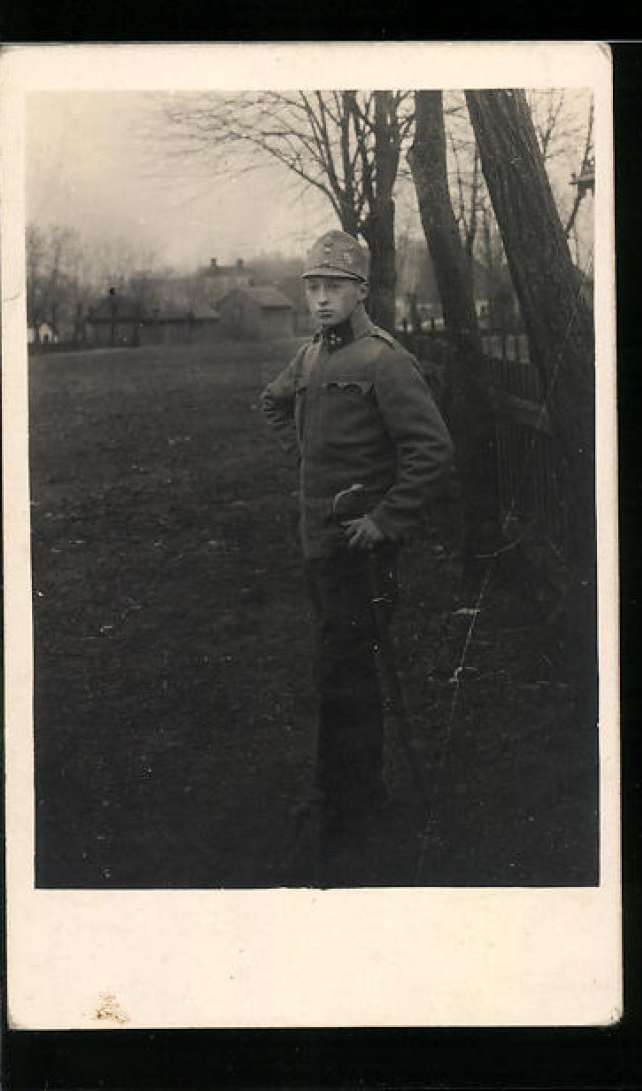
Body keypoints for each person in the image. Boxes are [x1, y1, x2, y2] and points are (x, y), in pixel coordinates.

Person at [261, 230, 453, 839]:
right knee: (336, 670)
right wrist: (306, 460)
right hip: (318, 544)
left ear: (361, 291)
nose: (321, 299)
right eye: (313, 287)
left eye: (334, 288)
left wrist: (386, 519)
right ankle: (347, 794)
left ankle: (350, 802)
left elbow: (431, 451)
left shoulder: (385, 361)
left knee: (347, 672)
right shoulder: (312, 355)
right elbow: (272, 402)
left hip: (362, 552)